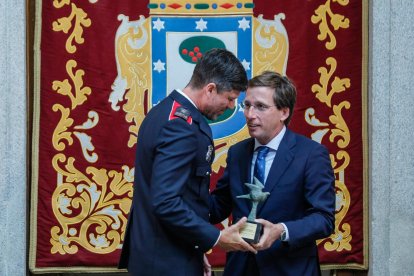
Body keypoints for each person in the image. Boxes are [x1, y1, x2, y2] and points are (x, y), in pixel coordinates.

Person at [118, 48, 257, 276]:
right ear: (210, 89)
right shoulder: (180, 126)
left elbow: (186, 197)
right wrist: (217, 238)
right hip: (166, 262)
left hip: (166, 251)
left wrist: (195, 246)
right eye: (230, 98)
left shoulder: (164, 111)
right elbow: (166, 202)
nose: (233, 106)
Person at [209, 71, 335, 276]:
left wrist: (281, 230)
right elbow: (218, 206)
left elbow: (323, 219)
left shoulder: (311, 154)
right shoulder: (237, 153)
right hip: (241, 269)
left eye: (260, 106)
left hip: (289, 269)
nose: (250, 114)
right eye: (247, 105)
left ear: (284, 112)